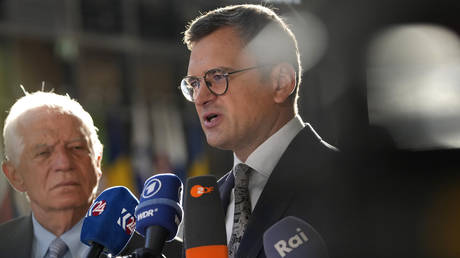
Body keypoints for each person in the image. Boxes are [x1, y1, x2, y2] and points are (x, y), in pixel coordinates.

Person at [180, 4, 367, 258]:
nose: (201, 97)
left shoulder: (350, 183)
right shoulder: (204, 206)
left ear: (280, 82)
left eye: (217, 77)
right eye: (194, 83)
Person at [0, 90, 104, 257]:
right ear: (15, 175)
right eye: (43, 153)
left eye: (76, 148)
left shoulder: (153, 247)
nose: (64, 163)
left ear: (97, 162)